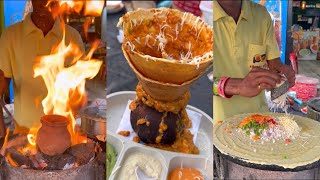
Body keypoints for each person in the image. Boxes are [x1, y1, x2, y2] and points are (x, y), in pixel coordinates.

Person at [0, 0, 84, 137]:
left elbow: (78, 91)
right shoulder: (10, 36)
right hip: (24, 133)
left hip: (62, 133)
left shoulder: (72, 37)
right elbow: (1, 85)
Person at [213, 0, 295, 121]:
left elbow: (275, 66)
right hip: (217, 123)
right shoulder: (203, 16)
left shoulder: (261, 15)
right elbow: (194, 83)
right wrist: (238, 86)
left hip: (259, 119)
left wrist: (282, 75)